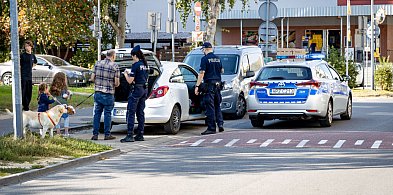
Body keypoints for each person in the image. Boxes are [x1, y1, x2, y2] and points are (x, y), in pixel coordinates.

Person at [194, 42, 224, 135]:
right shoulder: (218, 59)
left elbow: (202, 73)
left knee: (210, 107)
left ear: (205, 49)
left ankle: (211, 128)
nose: (202, 51)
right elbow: (222, 70)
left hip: (209, 85)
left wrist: (197, 86)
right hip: (218, 85)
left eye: (203, 50)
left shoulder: (204, 59)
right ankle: (220, 124)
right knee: (217, 105)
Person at [120, 45, 148, 143]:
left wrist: (125, 74)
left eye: (132, 56)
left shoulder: (135, 65)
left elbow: (130, 80)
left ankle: (130, 135)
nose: (132, 58)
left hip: (136, 90)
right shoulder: (145, 64)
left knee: (131, 112)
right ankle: (140, 134)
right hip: (144, 89)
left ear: (134, 55)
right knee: (140, 113)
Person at [91, 49, 120, 141]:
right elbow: (116, 83)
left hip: (98, 93)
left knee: (97, 114)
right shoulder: (115, 66)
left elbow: (92, 78)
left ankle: (95, 134)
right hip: (108, 94)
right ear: (113, 56)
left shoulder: (97, 63)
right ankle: (107, 134)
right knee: (107, 114)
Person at [50, 72, 72, 137]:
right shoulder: (64, 87)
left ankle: (58, 132)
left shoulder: (52, 87)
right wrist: (69, 95)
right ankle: (66, 132)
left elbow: (51, 95)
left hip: (55, 106)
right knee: (66, 118)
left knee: (57, 119)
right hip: (63, 105)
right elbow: (65, 96)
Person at [20, 40, 37, 111]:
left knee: (29, 92)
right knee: (23, 91)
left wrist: (31, 67)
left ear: (31, 46)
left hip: (30, 76)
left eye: (28, 46)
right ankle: (25, 106)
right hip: (24, 76)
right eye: (25, 46)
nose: (27, 47)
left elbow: (35, 62)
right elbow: (20, 65)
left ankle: (27, 105)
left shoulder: (33, 56)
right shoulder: (22, 55)